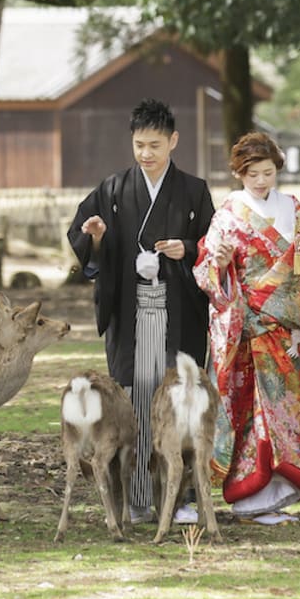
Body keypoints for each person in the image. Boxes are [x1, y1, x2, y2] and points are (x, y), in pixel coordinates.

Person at [67, 97, 214, 524]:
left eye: (154, 144)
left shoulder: (194, 190)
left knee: (176, 400)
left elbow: (211, 245)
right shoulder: (112, 189)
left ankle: (178, 497)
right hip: (130, 314)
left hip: (177, 313)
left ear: (173, 141)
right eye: (139, 145)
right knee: (131, 400)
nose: (146, 154)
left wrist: (185, 247)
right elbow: (85, 237)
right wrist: (94, 237)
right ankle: (134, 498)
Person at [193, 130, 300, 525]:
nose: (261, 181)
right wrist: (220, 263)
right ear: (240, 173)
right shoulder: (227, 213)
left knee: (290, 414)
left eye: (268, 172)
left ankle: (275, 496)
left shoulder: (293, 207)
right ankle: (249, 500)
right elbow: (207, 270)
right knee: (256, 416)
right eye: (253, 173)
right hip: (250, 330)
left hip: (289, 330)